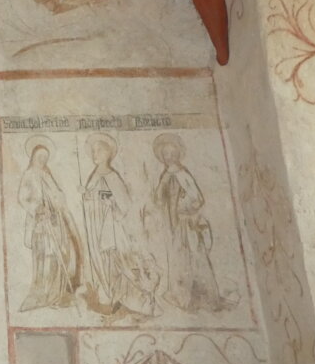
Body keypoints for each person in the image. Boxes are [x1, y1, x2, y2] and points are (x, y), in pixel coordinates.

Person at [152, 133, 230, 312]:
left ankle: (201, 296)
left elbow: (198, 199)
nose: (168, 157)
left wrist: (185, 208)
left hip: (187, 223)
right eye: (165, 154)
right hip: (172, 224)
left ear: (178, 154)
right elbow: (158, 199)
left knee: (194, 255)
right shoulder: (166, 175)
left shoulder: (183, 174)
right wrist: (163, 185)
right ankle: (181, 295)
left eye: (171, 153)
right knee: (178, 257)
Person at [81, 133, 156, 317]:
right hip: (96, 226)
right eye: (93, 151)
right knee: (103, 261)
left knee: (117, 261)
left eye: (99, 150)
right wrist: (86, 194)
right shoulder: (93, 176)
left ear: (108, 153)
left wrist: (110, 203)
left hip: (111, 228)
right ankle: (108, 296)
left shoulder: (113, 176)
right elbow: (91, 199)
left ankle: (130, 297)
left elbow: (124, 203)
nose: (95, 154)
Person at [16, 138, 82, 310]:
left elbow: (59, 196)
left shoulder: (48, 176)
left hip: (55, 222)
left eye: (45, 158)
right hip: (41, 224)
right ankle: (42, 294)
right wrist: (37, 208)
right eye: (40, 157)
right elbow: (22, 198)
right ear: (33, 157)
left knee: (57, 257)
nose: (42, 160)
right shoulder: (29, 175)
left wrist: (58, 201)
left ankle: (56, 294)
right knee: (44, 257)